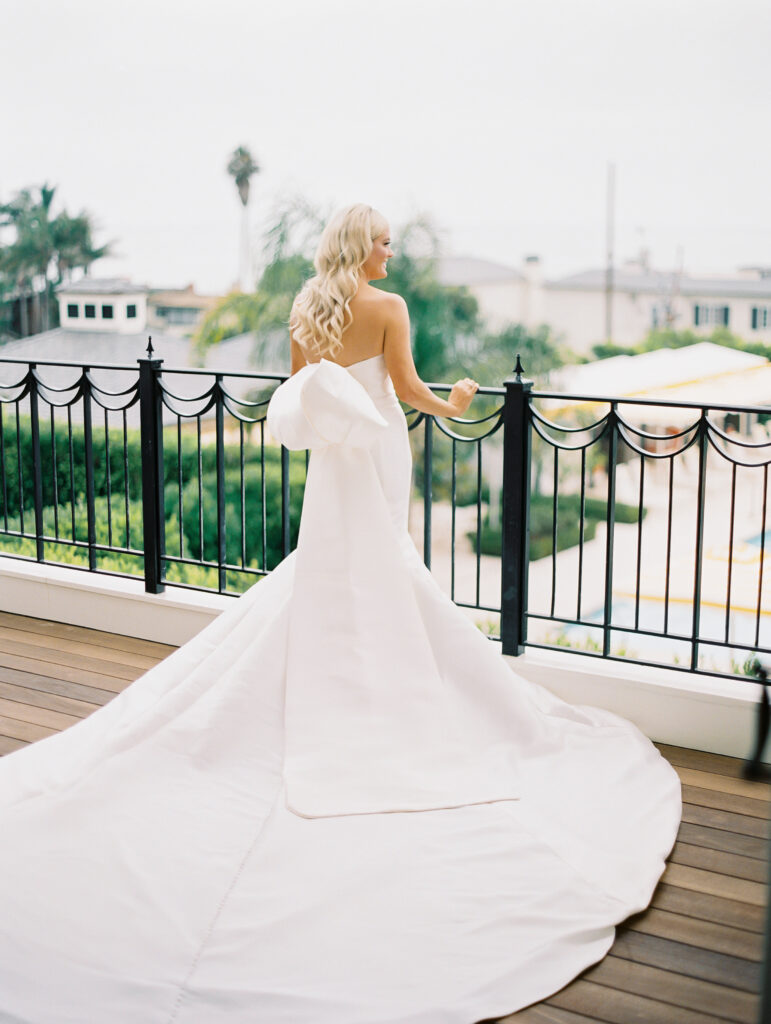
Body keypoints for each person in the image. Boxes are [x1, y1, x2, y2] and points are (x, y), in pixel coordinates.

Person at [0, 204, 681, 1024]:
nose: (393, 250)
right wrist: (460, 397)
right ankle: (384, 685)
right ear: (363, 248)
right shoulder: (387, 308)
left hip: (332, 464)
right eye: (385, 239)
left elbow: (300, 394)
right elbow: (409, 394)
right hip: (381, 450)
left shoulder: (305, 306)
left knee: (332, 567)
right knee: (384, 564)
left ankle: (341, 668)